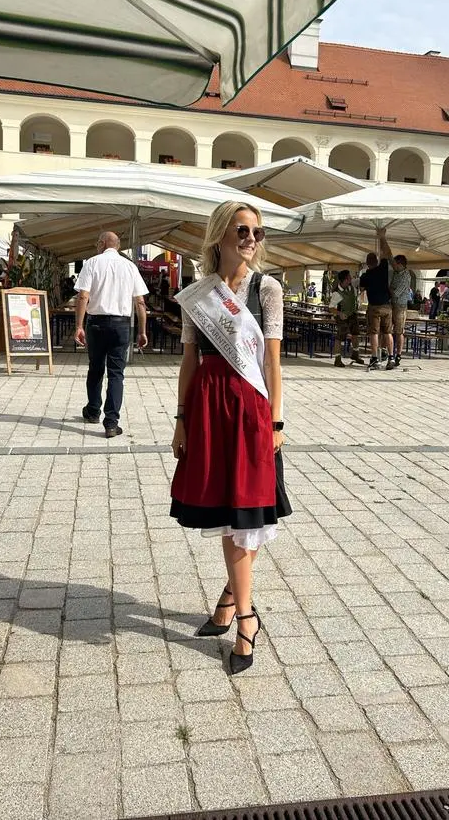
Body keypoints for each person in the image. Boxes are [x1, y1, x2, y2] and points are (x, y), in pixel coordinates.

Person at [170, 201, 291, 675]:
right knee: (230, 509)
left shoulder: (268, 289)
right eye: (242, 230)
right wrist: (181, 419)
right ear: (220, 234)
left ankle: (244, 618)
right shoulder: (198, 294)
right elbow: (189, 360)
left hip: (250, 407)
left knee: (250, 509)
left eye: (258, 232)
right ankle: (231, 600)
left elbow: (272, 361)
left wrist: (276, 421)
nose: (251, 240)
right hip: (208, 407)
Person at [74, 232, 149, 438]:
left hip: (96, 323)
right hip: (121, 325)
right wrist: (142, 331)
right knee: (116, 373)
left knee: (96, 368)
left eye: (97, 243)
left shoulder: (92, 263)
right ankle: (111, 423)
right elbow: (140, 302)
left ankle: (93, 410)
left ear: (102, 243)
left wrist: (79, 325)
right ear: (118, 246)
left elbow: (83, 296)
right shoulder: (130, 266)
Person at [359, 229, 395, 371]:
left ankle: (375, 358)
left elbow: (361, 289)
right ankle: (391, 357)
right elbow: (386, 252)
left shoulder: (365, 276)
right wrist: (382, 237)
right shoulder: (383, 268)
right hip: (387, 306)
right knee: (388, 332)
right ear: (377, 261)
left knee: (374, 333)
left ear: (367, 263)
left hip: (374, 307)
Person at [329, 270, 364, 366]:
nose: (351, 279)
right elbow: (331, 308)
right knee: (340, 337)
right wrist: (339, 313)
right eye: (349, 278)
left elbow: (359, 287)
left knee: (355, 334)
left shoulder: (352, 288)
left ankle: (355, 355)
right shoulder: (337, 293)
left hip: (352, 315)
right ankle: (337, 359)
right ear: (344, 280)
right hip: (342, 317)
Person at [387, 249, 410, 367]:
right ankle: (388, 352)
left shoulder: (406, 276)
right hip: (392, 304)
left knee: (399, 331)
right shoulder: (396, 273)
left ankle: (398, 354)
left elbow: (395, 293)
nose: (393, 266)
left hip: (400, 306)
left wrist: (389, 289)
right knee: (388, 329)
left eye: (395, 264)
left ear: (400, 264)